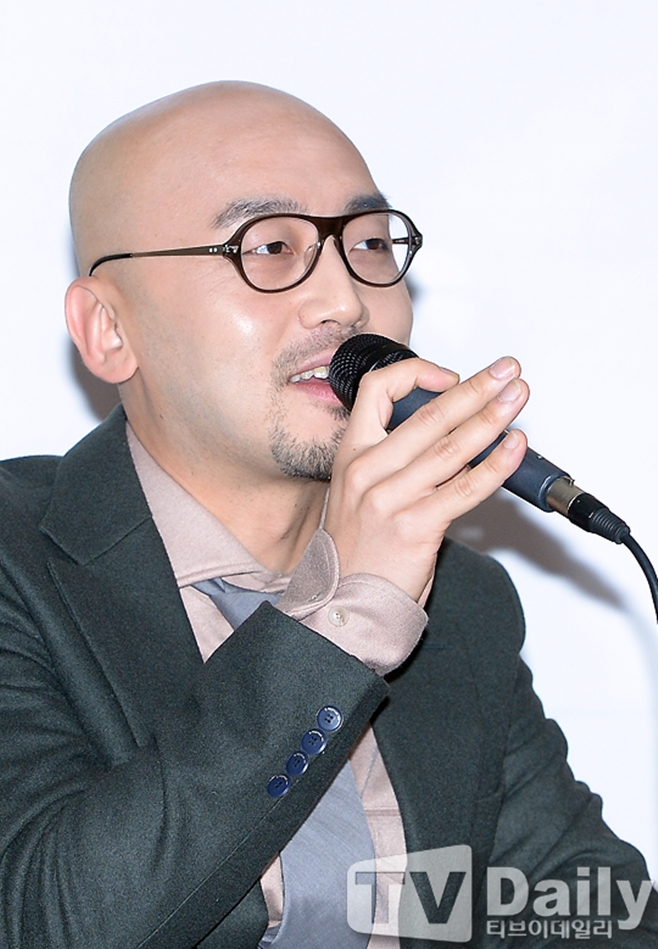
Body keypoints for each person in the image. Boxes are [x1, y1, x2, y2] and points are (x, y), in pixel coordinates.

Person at [0, 81, 655, 949]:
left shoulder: (460, 601)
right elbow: (51, 920)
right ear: (108, 328)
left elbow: (591, 906)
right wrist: (345, 614)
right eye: (270, 247)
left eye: (370, 242)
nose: (345, 301)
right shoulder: (18, 560)